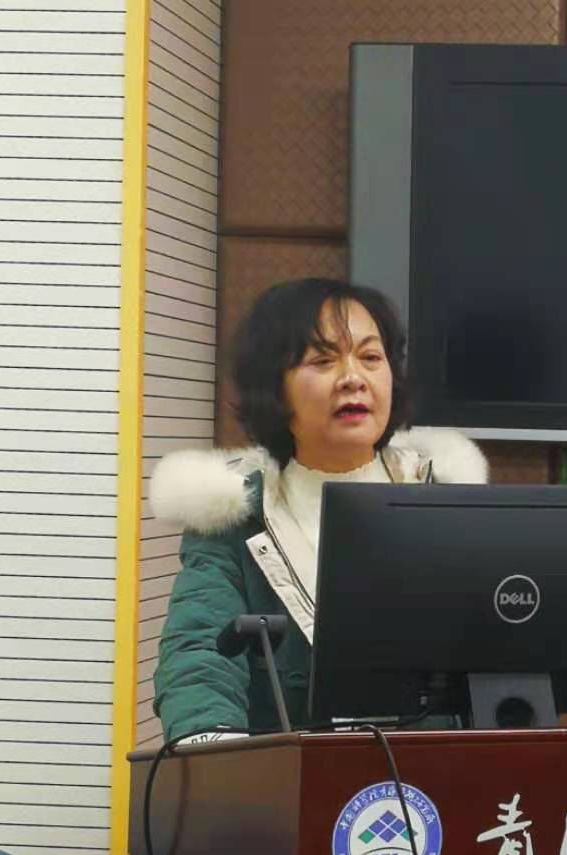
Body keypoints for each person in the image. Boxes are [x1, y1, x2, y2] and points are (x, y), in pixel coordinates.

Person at [149, 278, 488, 741]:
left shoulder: (449, 501)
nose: (353, 378)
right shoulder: (234, 516)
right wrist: (208, 740)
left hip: (435, 774)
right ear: (274, 388)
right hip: (290, 777)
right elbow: (199, 653)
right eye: (323, 360)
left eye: (371, 357)